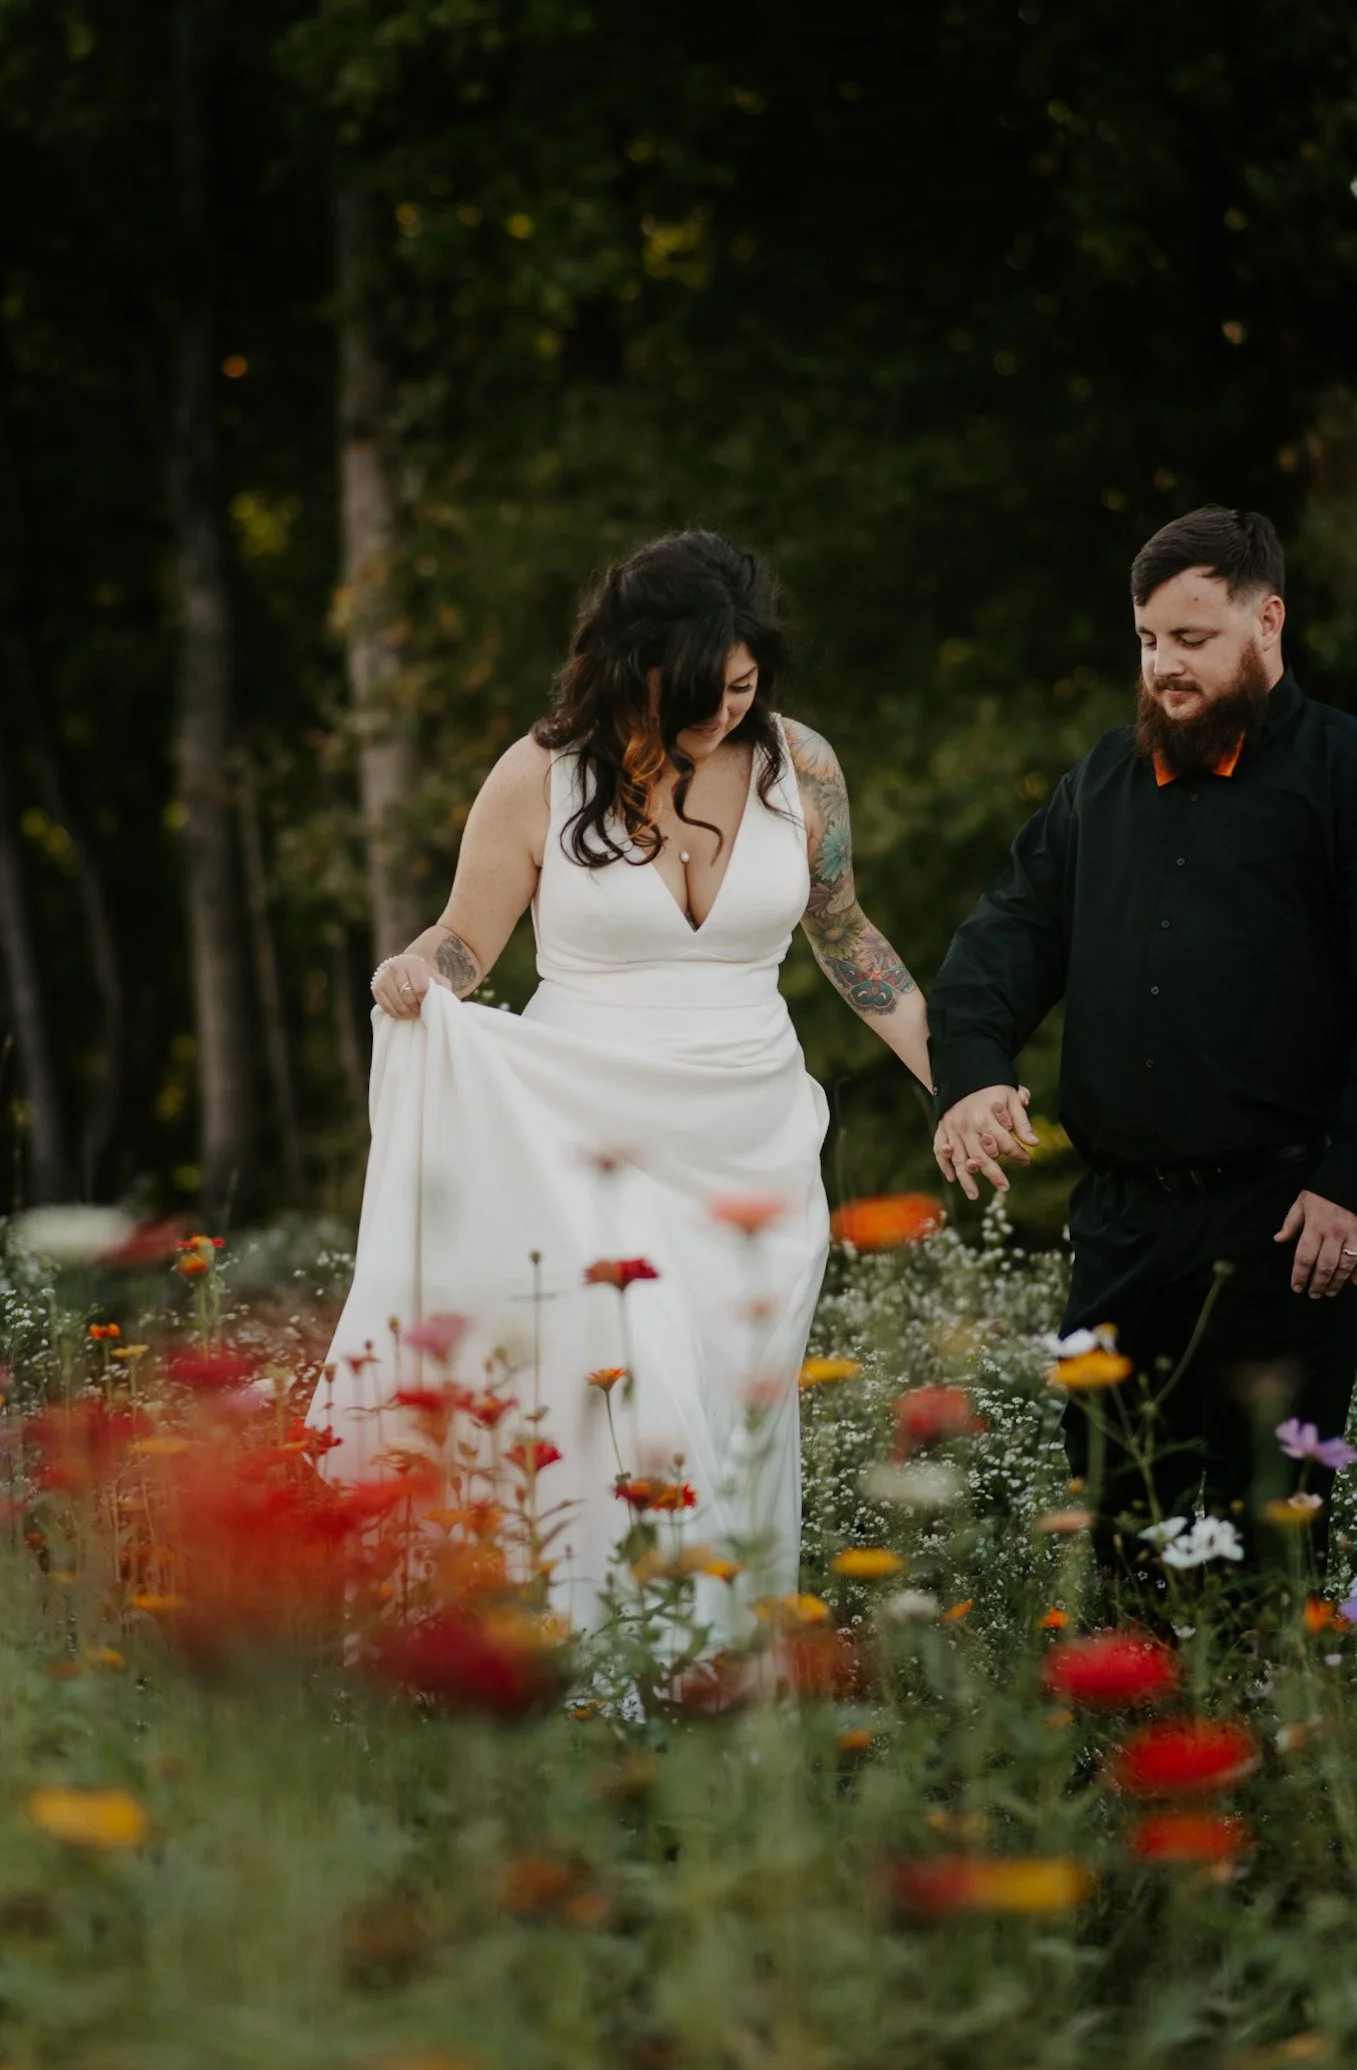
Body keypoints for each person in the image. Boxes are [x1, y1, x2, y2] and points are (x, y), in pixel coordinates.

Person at [311, 530, 929, 1627]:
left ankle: (722, 1683)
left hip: (752, 1144)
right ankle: (597, 1667)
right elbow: (464, 942)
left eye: (739, 686)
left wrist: (952, 1071)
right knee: (627, 1393)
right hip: (580, 1133)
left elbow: (843, 935)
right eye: (694, 693)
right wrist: (416, 971)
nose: (720, 714)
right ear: (625, 668)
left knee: (735, 1417)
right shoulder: (538, 776)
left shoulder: (805, 768)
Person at [929, 506, 1357, 1546]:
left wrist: (1348, 1181)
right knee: (1114, 1533)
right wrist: (974, 1072)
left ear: (1267, 622)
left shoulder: (1341, 772)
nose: (1163, 665)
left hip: (1287, 1228)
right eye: (1147, 639)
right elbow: (1006, 936)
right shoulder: (1100, 781)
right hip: (1119, 1228)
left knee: (1267, 1543)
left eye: (1191, 640)